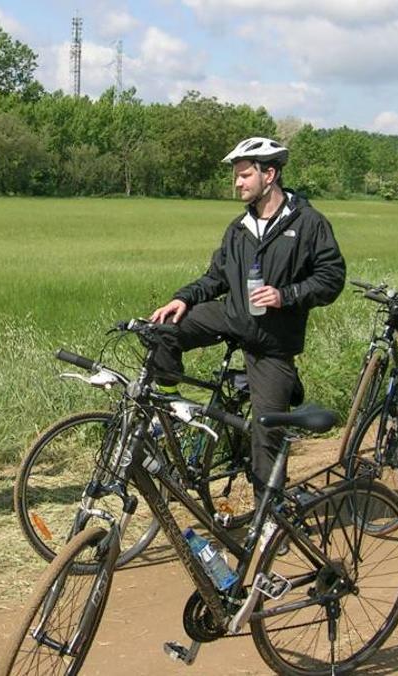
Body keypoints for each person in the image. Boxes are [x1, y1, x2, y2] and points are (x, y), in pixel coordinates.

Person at [149, 137, 346, 496]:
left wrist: (286, 295)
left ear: (269, 174)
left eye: (243, 176)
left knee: (267, 431)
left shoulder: (308, 223)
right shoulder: (239, 228)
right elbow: (216, 277)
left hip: (273, 341)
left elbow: (331, 278)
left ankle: (268, 519)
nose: (236, 183)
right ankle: (170, 408)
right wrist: (182, 299)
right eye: (236, 177)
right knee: (162, 328)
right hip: (233, 316)